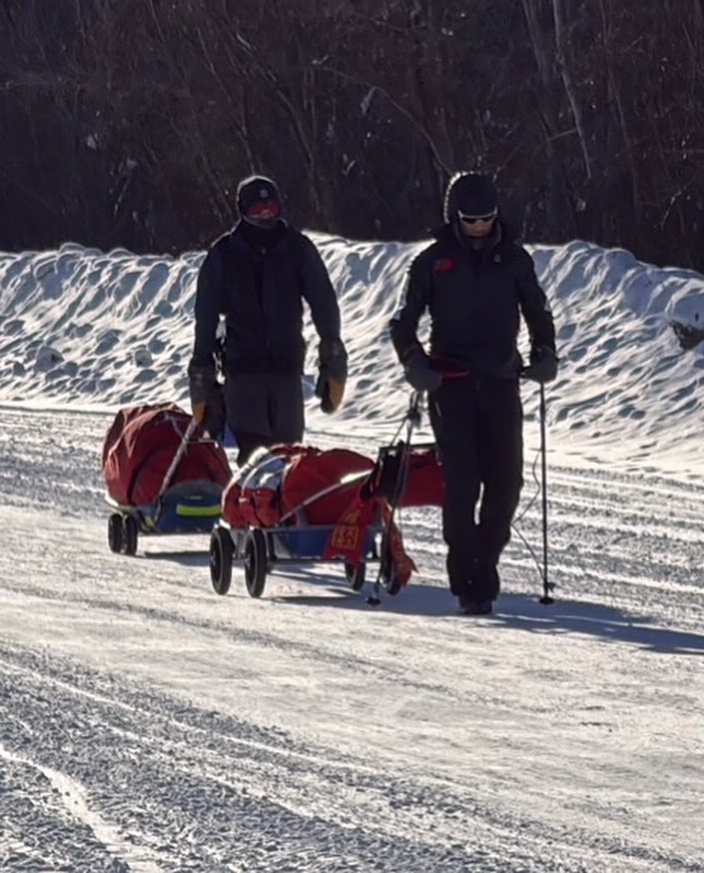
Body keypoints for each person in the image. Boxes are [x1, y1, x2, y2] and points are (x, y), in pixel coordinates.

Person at [389, 169, 559, 616]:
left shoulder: (515, 260)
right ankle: (469, 580)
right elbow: (403, 323)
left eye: (486, 219)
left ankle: (485, 560)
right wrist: (415, 363)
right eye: (470, 220)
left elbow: (539, 315)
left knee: (506, 482)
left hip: (501, 382)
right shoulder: (432, 262)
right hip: (452, 385)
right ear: (454, 217)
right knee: (463, 483)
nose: (480, 227)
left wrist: (544, 353)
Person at [188, 174, 347, 463]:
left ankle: (283, 507)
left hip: (286, 374)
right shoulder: (224, 254)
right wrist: (201, 371)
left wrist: (333, 353)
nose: (264, 214)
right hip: (243, 376)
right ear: (242, 209)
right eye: (257, 209)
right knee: (255, 458)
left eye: (270, 208)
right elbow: (206, 316)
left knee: (290, 458)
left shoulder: (298, 249)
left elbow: (324, 301)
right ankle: (252, 506)